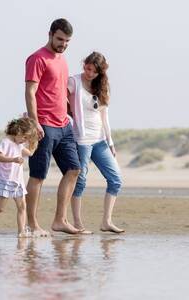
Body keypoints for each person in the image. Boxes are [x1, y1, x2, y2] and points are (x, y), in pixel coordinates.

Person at [25, 18, 81, 236]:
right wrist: (34, 122)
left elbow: (59, 92)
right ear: (50, 34)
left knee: (74, 169)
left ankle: (60, 220)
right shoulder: (37, 58)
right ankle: (32, 224)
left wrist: (72, 114)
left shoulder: (63, 59)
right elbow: (30, 92)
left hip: (64, 125)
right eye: (60, 39)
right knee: (38, 175)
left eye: (67, 41)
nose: (63, 44)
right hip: (44, 126)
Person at [68, 52, 124, 234]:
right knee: (81, 180)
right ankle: (77, 223)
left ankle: (106, 222)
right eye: (87, 68)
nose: (89, 73)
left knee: (115, 179)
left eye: (93, 71)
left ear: (100, 72)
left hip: (100, 140)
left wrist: (111, 142)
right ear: (84, 64)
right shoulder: (73, 81)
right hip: (81, 139)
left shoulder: (102, 87)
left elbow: (104, 116)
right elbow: (57, 100)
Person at [0, 117, 38, 238]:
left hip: (18, 181)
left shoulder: (18, 144)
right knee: (0, 208)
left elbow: (30, 153)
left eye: (27, 139)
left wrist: (34, 141)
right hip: (5, 180)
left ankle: (22, 232)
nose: (25, 141)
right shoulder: (6, 142)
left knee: (22, 206)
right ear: (18, 131)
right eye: (25, 137)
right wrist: (13, 159)